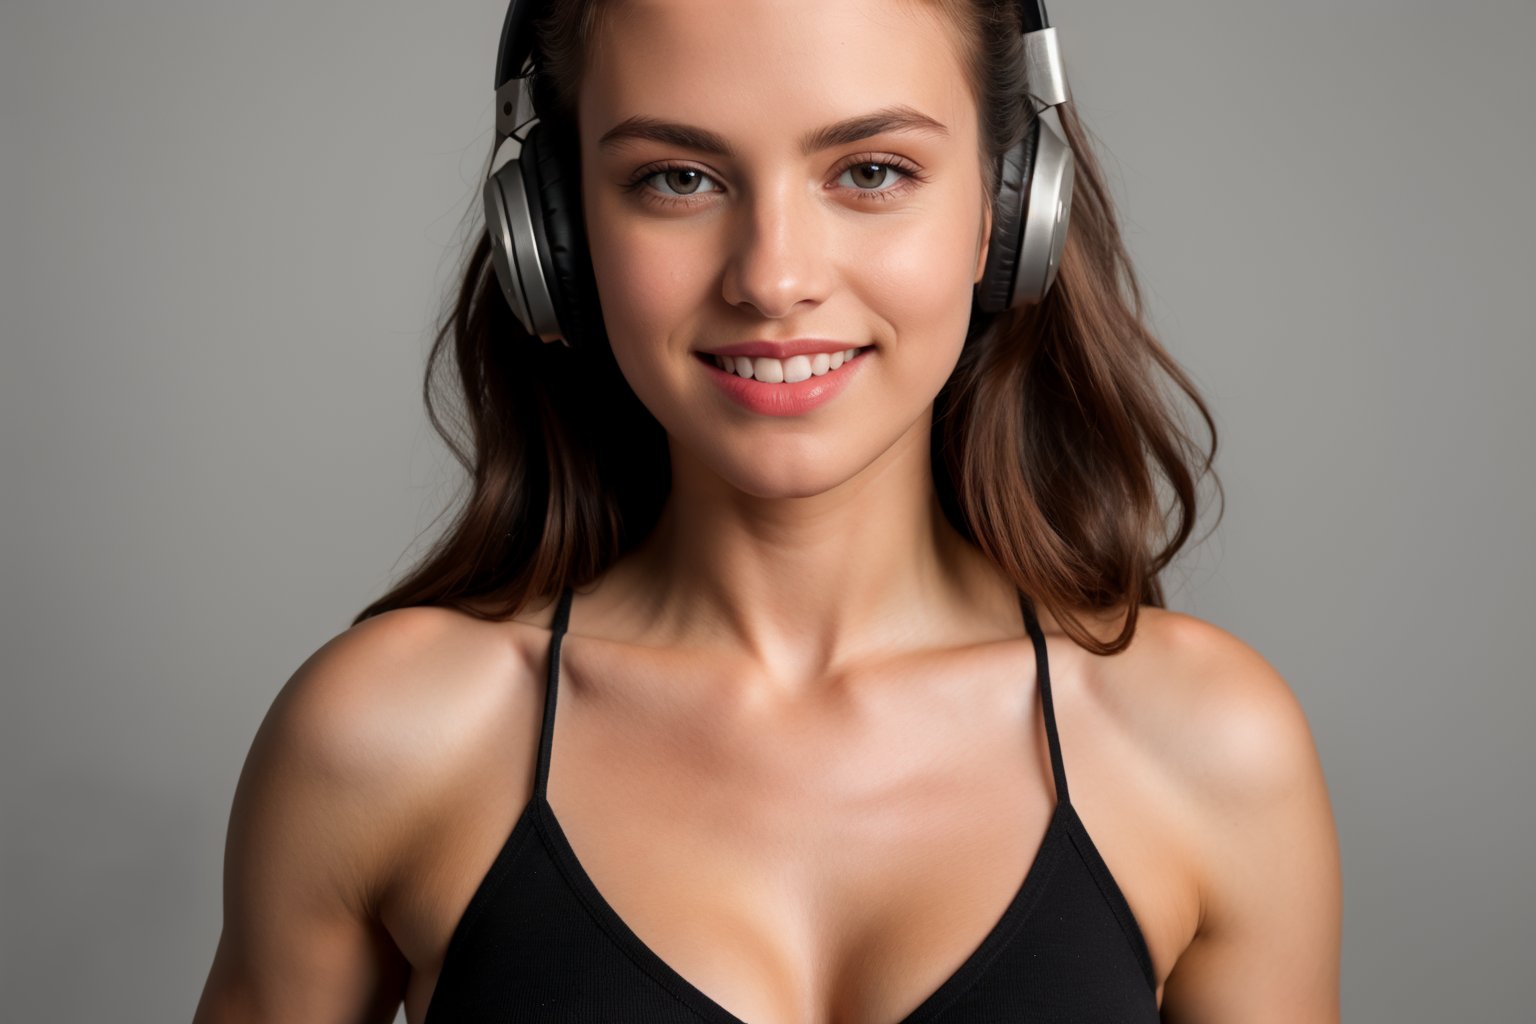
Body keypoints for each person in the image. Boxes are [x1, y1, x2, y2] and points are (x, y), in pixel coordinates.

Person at [194, 0, 1341, 1020]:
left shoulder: (1208, 748)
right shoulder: (387, 741)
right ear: (555, 230)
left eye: (873, 170)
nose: (773, 276)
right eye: (676, 178)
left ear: (1007, 213)